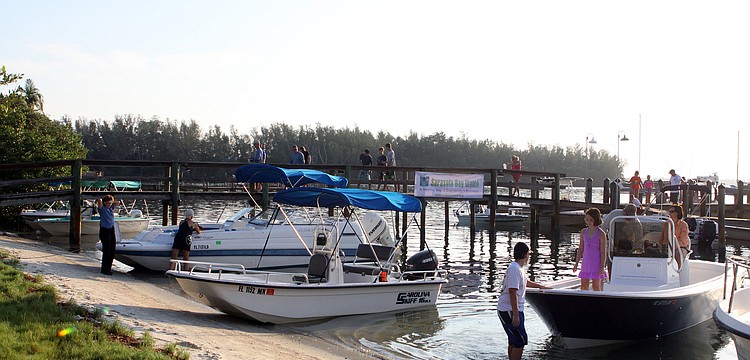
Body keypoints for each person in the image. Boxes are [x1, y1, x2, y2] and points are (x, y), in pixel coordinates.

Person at [497, 242, 548, 360]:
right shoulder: (515, 269)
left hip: (514, 309)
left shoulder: (519, 268)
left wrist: (541, 287)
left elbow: (525, 282)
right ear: (525, 254)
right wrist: (515, 315)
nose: (529, 257)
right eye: (528, 254)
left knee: (514, 340)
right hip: (509, 309)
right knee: (520, 341)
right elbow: (512, 292)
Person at [573, 208, 607, 291]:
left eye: (591, 220)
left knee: (596, 286)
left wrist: (602, 267)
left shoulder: (601, 234)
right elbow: (580, 249)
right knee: (584, 286)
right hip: (586, 262)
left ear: (596, 220)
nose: (588, 222)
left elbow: (603, 252)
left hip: (596, 263)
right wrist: (576, 263)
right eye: (587, 219)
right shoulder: (583, 232)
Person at [97, 194, 119, 275]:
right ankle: (104, 269)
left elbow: (117, 202)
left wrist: (111, 202)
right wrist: (102, 201)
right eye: (108, 203)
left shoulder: (111, 209)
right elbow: (99, 201)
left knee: (112, 250)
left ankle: (109, 268)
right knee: (107, 250)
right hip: (104, 230)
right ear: (105, 203)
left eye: (110, 203)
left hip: (111, 230)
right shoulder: (102, 209)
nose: (109, 205)